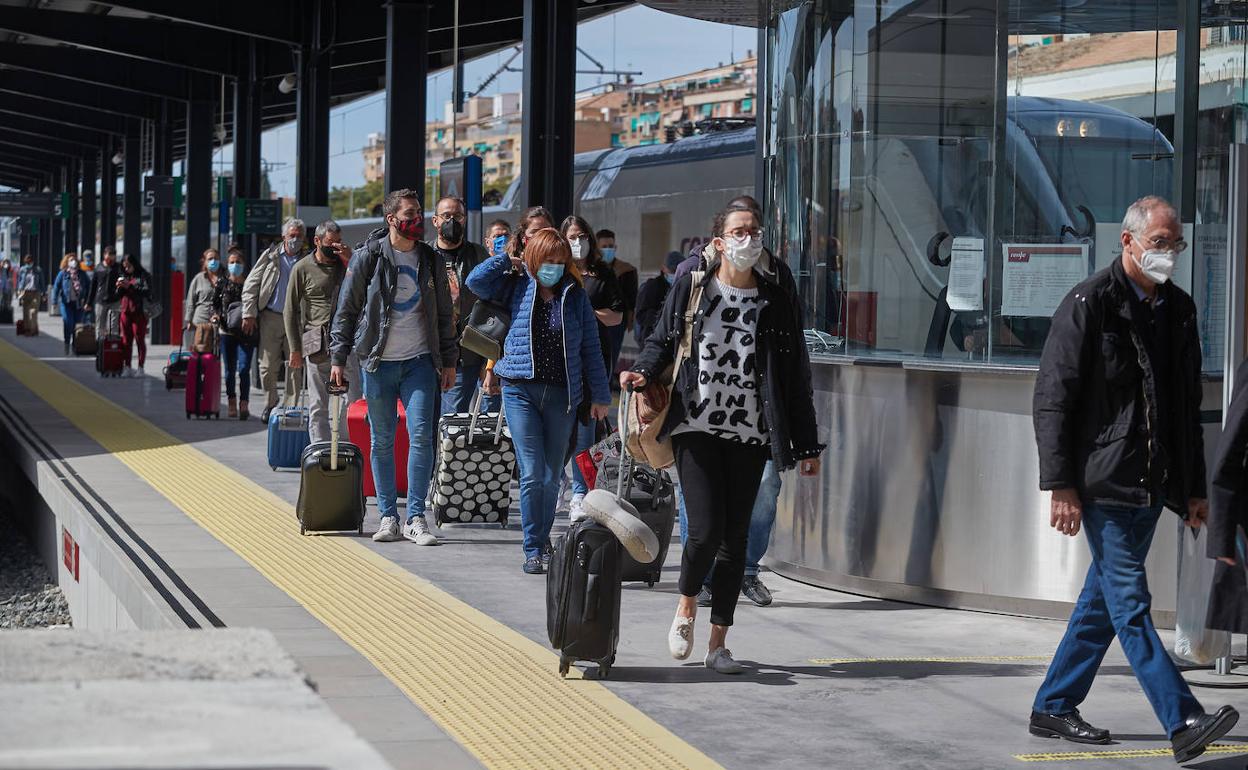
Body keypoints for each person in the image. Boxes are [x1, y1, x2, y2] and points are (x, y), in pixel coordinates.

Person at [1029, 195, 1237, 763]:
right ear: (1128, 241)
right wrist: (1060, 485)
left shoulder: (1179, 309)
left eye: (1175, 244)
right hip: (1102, 483)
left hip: (1151, 484)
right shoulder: (1089, 303)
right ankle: (1183, 718)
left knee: (1103, 603)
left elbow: (1184, 408)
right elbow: (1052, 399)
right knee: (1130, 604)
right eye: (1159, 243)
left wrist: (1193, 488)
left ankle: (1053, 703)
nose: (1169, 253)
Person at [623, 202, 823, 675]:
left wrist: (807, 444)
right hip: (696, 425)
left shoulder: (775, 299)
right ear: (719, 241)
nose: (748, 239)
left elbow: (794, 375)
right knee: (705, 530)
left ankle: (718, 644)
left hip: (751, 433)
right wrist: (643, 372)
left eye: (754, 231)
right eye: (738, 231)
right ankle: (686, 605)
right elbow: (661, 340)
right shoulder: (694, 288)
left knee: (735, 539)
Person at [468, 227, 610, 574]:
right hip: (520, 390)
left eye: (560, 262)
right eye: (547, 261)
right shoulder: (515, 284)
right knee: (532, 472)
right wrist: (507, 259)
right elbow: (475, 282)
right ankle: (532, 547)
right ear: (532, 259)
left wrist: (600, 395)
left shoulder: (575, 295)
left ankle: (543, 538)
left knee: (550, 476)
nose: (554, 268)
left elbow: (591, 347)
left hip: (563, 395)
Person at [330, 188, 458, 547]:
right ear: (392, 219)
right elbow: (346, 309)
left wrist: (449, 360)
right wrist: (338, 358)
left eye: (419, 212)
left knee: (421, 436)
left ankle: (416, 517)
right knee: (382, 439)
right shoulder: (368, 257)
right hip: (377, 361)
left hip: (420, 362)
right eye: (410, 214)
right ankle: (388, 515)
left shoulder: (430, 259)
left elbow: (444, 314)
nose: (417, 220)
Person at [561, 214, 623, 519]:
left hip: (594, 356)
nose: (578, 242)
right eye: (572, 237)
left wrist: (589, 314)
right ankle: (557, 480)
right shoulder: (557, 271)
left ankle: (579, 491)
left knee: (586, 426)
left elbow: (618, 315)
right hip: (560, 359)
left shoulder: (603, 274)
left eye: (582, 236)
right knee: (560, 426)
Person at [285, 220, 354, 444]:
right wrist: (295, 349)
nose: (335, 247)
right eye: (330, 243)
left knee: (353, 400)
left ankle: (344, 446)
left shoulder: (347, 263)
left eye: (338, 242)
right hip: (316, 342)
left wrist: (351, 260)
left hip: (346, 341)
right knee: (318, 404)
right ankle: (320, 449)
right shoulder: (302, 268)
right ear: (317, 241)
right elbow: (290, 310)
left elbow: (368, 285)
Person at [431, 196, 497, 414]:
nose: (452, 221)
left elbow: (492, 307)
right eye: (446, 216)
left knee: (451, 418)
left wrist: (488, 360)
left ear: (465, 219)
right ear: (435, 221)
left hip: (467, 354)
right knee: (427, 421)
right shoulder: (425, 255)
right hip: (430, 354)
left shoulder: (478, 255)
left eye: (458, 216)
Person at [242, 218, 307, 422]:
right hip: (271, 317)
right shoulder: (270, 256)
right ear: (283, 236)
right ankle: (270, 403)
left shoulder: (308, 260)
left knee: (295, 365)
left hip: (296, 320)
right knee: (267, 366)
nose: (295, 240)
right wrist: (249, 313)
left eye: (299, 236)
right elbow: (251, 284)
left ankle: (291, 407)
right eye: (292, 236)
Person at [213, 248, 255, 419]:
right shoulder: (222, 283)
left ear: (244, 264)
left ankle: (244, 403)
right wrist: (216, 316)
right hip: (226, 332)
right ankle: (231, 401)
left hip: (246, 332)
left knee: (244, 369)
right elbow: (215, 304)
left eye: (238, 262)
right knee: (229, 371)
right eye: (231, 262)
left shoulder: (250, 284)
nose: (235, 265)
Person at [596, 228, 636, 377]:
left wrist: (630, 319)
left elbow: (631, 299)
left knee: (610, 357)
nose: (608, 249)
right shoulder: (591, 270)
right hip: (595, 319)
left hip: (615, 323)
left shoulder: (626, 270)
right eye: (604, 246)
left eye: (610, 246)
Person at [110, 253, 152, 377]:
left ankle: (140, 367)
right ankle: (127, 366)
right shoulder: (123, 276)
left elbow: (146, 292)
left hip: (139, 312)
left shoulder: (143, 275)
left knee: (139, 339)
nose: (126, 268)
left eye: (129, 266)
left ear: (134, 264)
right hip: (125, 311)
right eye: (125, 266)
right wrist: (119, 288)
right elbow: (117, 295)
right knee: (126, 340)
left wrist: (130, 286)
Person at [635, 250, 683, 345]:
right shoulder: (653, 286)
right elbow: (641, 315)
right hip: (653, 338)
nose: (675, 274)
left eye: (678, 271)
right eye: (673, 271)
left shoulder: (683, 287)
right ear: (663, 268)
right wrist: (663, 318)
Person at [51, 253, 91, 355]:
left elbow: (89, 287)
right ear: (67, 262)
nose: (73, 262)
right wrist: (54, 301)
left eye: (75, 260)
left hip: (79, 304)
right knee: (68, 323)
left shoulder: (82, 274)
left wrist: (88, 301)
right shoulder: (63, 274)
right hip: (66, 303)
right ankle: (66, 343)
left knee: (77, 326)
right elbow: (56, 287)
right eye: (71, 260)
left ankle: (75, 345)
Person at [184, 249, 222, 353]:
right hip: (200, 322)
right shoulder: (198, 279)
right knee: (201, 350)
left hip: (220, 321)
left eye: (216, 259)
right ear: (204, 262)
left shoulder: (225, 277)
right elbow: (190, 300)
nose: (213, 261)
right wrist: (189, 320)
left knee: (216, 353)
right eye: (210, 259)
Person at [93, 247, 119, 340]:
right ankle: (99, 345)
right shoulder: (99, 267)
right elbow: (93, 285)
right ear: (104, 255)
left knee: (113, 325)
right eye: (109, 254)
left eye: (113, 255)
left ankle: (112, 344)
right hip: (101, 300)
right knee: (100, 324)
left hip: (115, 300)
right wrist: (88, 302)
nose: (111, 257)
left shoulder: (118, 267)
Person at [17, 254, 43, 336]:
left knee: (33, 312)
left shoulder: (38, 270)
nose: (29, 264)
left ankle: (32, 330)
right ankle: (27, 329)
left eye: (30, 262)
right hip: (25, 292)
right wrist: (19, 290)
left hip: (36, 292)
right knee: (25, 312)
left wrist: (44, 292)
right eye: (27, 262)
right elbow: (19, 281)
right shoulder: (22, 269)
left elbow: (42, 281)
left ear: (33, 262)